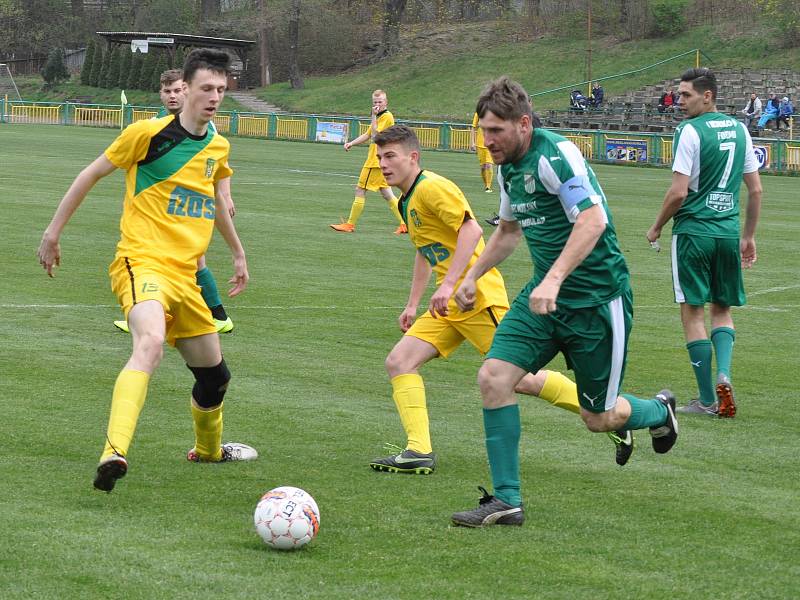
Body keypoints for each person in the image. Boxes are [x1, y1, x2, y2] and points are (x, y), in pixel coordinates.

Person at [450, 77, 678, 527]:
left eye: (496, 131)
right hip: (542, 300)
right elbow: (510, 231)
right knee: (494, 377)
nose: (487, 140)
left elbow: (592, 221)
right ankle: (506, 500)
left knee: (599, 418)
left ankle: (658, 410)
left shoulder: (557, 155)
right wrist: (470, 275)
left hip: (596, 302)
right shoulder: (508, 169)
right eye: (483, 130)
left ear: (524, 124)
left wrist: (554, 279)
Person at [36, 49, 258, 493]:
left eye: (221, 89)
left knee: (215, 377)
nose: (214, 97)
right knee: (151, 341)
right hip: (142, 261)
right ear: (186, 90)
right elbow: (90, 174)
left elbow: (213, 200)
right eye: (205, 89)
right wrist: (52, 232)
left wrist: (237, 252)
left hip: (187, 275)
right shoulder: (147, 134)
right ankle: (114, 451)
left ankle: (210, 451)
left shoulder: (218, 145)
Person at [367, 124, 627, 475]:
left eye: (390, 156)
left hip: (476, 300)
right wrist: (414, 302)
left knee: (520, 380)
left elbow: (472, 230)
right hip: (448, 303)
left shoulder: (432, 188)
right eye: (380, 156)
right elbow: (424, 250)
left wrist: (453, 284)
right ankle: (418, 451)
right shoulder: (406, 198)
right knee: (399, 362)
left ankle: (613, 417)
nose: (383, 163)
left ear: (413, 157)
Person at [647, 67, 762, 418]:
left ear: (707, 95)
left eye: (685, 95)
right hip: (727, 232)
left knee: (692, 311)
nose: (679, 102)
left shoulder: (689, 131)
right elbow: (756, 189)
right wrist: (748, 236)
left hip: (694, 233)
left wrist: (656, 226)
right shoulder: (741, 129)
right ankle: (724, 374)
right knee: (722, 309)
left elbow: (679, 192)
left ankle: (706, 399)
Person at [113, 68, 236, 334]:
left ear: (188, 91)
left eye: (178, 90)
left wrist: (225, 195)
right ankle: (149, 310)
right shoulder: (158, 123)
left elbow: (219, 163)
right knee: (181, 262)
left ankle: (214, 315)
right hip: (164, 209)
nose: (173, 96)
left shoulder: (203, 124)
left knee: (192, 261)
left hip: (187, 209)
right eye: (167, 91)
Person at [330, 89, 406, 234]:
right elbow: (368, 134)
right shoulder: (380, 116)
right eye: (375, 102)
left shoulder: (387, 117)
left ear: (386, 102)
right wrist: (351, 143)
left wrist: (373, 115)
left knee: (360, 189)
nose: (377, 104)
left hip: (375, 162)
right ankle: (404, 224)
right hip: (379, 160)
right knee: (387, 194)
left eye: (380, 102)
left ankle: (350, 224)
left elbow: (376, 135)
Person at [470, 111, 499, 226]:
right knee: (483, 167)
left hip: (491, 144)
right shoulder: (478, 113)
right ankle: (485, 184)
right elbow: (473, 127)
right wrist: (472, 142)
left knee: (488, 165)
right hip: (480, 144)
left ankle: (488, 186)